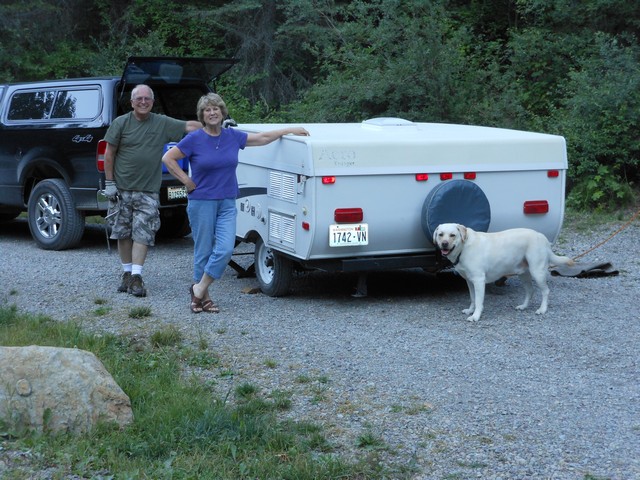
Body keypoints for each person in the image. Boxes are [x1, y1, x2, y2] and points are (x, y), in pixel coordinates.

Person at [162, 93, 309, 313]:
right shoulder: (195, 138)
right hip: (202, 201)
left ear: (223, 112)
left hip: (228, 200)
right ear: (202, 115)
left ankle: (198, 288)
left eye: (216, 109)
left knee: (224, 249)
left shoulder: (232, 136)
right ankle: (204, 298)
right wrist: (186, 181)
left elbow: (262, 138)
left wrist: (288, 130)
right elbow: (168, 158)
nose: (212, 113)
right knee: (203, 250)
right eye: (207, 110)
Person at [103, 84, 202, 297]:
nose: (143, 102)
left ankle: (137, 276)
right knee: (122, 232)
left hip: (148, 190)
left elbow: (189, 126)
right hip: (121, 189)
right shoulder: (120, 123)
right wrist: (109, 184)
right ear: (131, 102)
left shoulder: (161, 122)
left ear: (152, 101)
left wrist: (215, 125)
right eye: (139, 98)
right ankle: (126, 273)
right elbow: (109, 154)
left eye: (147, 98)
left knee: (143, 232)